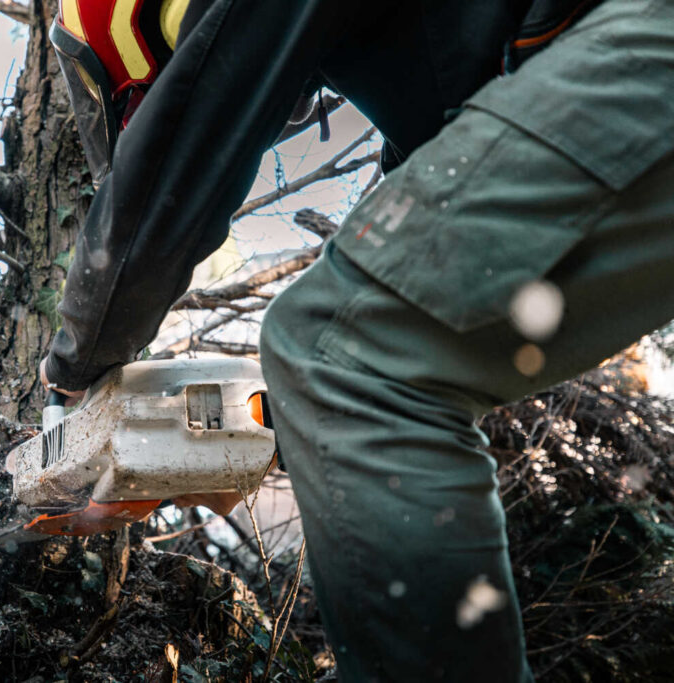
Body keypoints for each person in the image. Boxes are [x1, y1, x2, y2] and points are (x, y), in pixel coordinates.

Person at [38, 0, 674, 680]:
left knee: (326, 347)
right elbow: (428, 295)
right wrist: (259, 434)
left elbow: (172, 170)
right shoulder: (442, 53)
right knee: (333, 350)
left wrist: (70, 377)